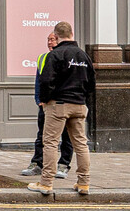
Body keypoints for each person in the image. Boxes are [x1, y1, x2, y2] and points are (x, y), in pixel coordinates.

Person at [34, 21, 93, 197]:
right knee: (81, 144)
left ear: (57, 36)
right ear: (72, 34)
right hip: (79, 105)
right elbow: (91, 83)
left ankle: (46, 183)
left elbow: (46, 81)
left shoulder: (56, 55)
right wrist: (83, 99)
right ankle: (84, 183)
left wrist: (45, 100)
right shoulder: (83, 56)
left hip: (58, 104)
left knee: (51, 143)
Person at [27, 33, 74, 180]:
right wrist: (39, 99)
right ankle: (37, 163)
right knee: (42, 135)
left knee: (67, 136)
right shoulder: (43, 58)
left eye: (53, 39)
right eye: (48, 39)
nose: (50, 42)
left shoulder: (67, 57)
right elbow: (39, 80)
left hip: (63, 102)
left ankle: (63, 164)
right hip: (46, 104)